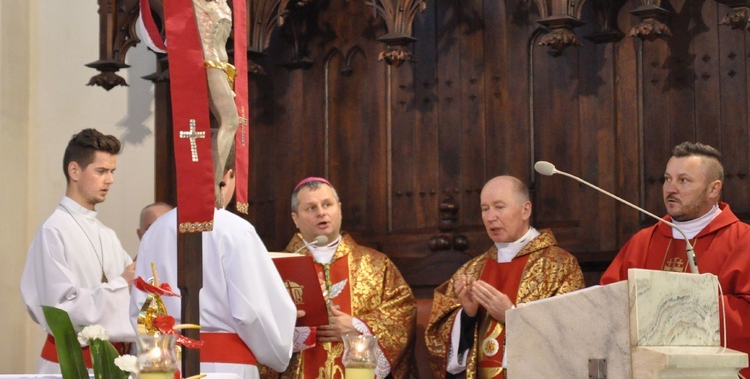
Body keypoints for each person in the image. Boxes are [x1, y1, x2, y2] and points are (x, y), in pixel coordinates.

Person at [117, 0, 268, 207]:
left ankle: (213, 178)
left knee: (227, 123)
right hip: (208, 66)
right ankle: (212, 184)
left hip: (225, 68)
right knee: (231, 121)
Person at [130, 147, 297, 379]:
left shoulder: (155, 231)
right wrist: (278, 352)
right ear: (228, 175)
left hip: (166, 366)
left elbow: (142, 308)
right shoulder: (237, 231)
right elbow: (254, 312)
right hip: (228, 367)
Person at [601, 141, 750, 376]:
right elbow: (606, 303)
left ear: (713, 189)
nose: (671, 189)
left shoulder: (743, 241)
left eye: (683, 180)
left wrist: (671, 307)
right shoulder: (643, 241)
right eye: (667, 179)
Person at [425, 175, 585, 378]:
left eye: (499, 207)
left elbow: (573, 335)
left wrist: (513, 315)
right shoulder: (471, 271)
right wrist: (467, 315)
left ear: (525, 210)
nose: (491, 217)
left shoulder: (559, 265)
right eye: (485, 209)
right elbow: (438, 346)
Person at [266, 177, 416, 379]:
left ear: (340, 209)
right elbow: (260, 324)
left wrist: (357, 327)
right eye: (311, 208)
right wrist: (297, 329)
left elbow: (402, 314)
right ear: (295, 219)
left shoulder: (376, 264)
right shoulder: (276, 269)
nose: (321, 212)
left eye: (327, 204)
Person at [20, 128, 136, 373]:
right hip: (69, 365)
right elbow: (59, 309)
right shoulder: (53, 231)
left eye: (112, 172)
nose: (110, 180)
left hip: (113, 365)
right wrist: (121, 284)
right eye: (101, 171)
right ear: (74, 171)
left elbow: (134, 294)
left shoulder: (107, 234)